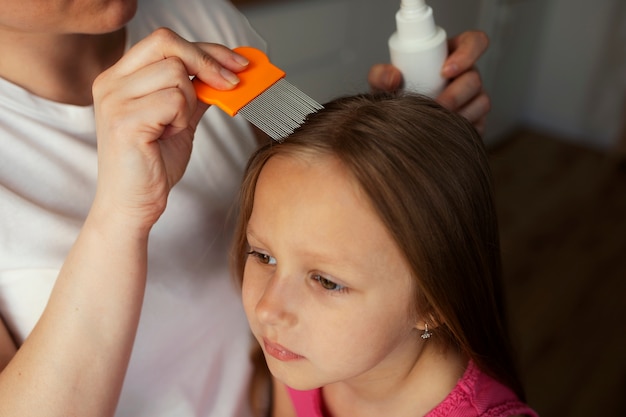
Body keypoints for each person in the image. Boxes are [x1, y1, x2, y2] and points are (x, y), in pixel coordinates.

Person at [0, 0, 490, 416]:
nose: (267, 309)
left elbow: (316, 170)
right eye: (263, 257)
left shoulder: (202, 20)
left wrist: (410, 147)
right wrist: (121, 216)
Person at [232, 93, 538, 417]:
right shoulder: (298, 356)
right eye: (264, 256)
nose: (268, 309)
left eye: (325, 281)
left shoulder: (305, 346)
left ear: (431, 304)